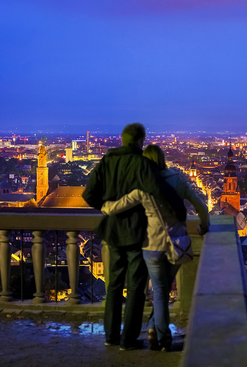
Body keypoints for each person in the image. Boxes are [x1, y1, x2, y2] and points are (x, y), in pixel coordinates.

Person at [100, 144, 210, 351]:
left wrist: (104, 206)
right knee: (164, 290)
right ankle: (160, 335)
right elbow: (202, 207)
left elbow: (116, 207)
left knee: (159, 292)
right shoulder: (178, 179)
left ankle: (159, 333)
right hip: (177, 244)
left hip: (151, 245)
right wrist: (204, 226)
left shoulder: (144, 185)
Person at [83, 123, 177, 350]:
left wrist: (106, 207)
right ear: (140, 140)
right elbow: (158, 193)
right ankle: (128, 339)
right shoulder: (142, 164)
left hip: (112, 231)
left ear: (122, 139)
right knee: (136, 286)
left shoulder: (106, 161)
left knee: (113, 286)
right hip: (137, 232)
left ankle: (110, 336)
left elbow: (88, 194)